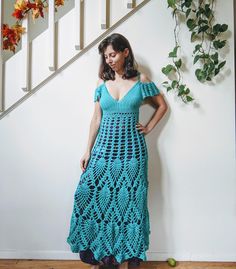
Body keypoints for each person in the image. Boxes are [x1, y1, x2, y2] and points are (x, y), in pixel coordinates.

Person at [67, 33, 168, 269]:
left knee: (129, 206)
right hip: (103, 151)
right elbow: (95, 119)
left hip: (132, 154)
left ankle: (125, 258)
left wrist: (149, 127)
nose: (109, 59)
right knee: (89, 196)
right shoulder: (102, 83)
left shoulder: (141, 81)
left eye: (112, 54)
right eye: (106, 56)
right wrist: (87, 151)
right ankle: (104, 257)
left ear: (125, 52)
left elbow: (162, 106)